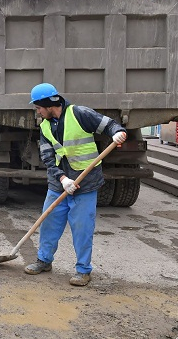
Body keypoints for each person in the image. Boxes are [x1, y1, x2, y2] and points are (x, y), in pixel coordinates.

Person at [25, 83, 127, 287]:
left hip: (86, 183)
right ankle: (44, 261)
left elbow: (109, 124)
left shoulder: (79, 114)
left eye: (38, 107)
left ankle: (83, 270)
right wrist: (63, 179)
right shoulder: (44, 126)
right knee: (49, 223)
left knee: (82, 228)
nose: (37, 112)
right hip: (59, 183)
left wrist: (118, 132)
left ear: (48, 104)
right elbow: (47, 157)